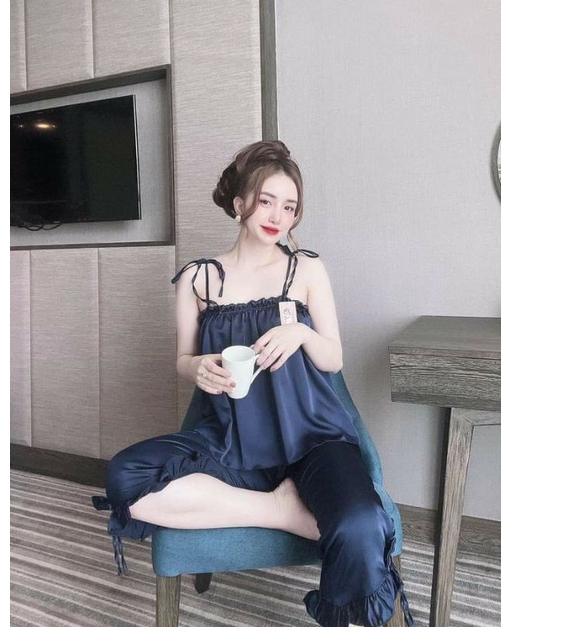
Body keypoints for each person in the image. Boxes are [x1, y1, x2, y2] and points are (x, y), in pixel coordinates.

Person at [92, 140, 413, 627]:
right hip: (229, 440)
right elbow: (182, 358)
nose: (278, 216)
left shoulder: (306, 269)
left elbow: (334, 357)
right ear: (240, 202)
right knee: (125, 478)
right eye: (266, 201)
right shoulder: (198, 279)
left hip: (313, 438)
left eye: (289, 206)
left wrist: (302, 333)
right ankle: (278, 510)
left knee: (361, 522)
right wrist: (196, 367)